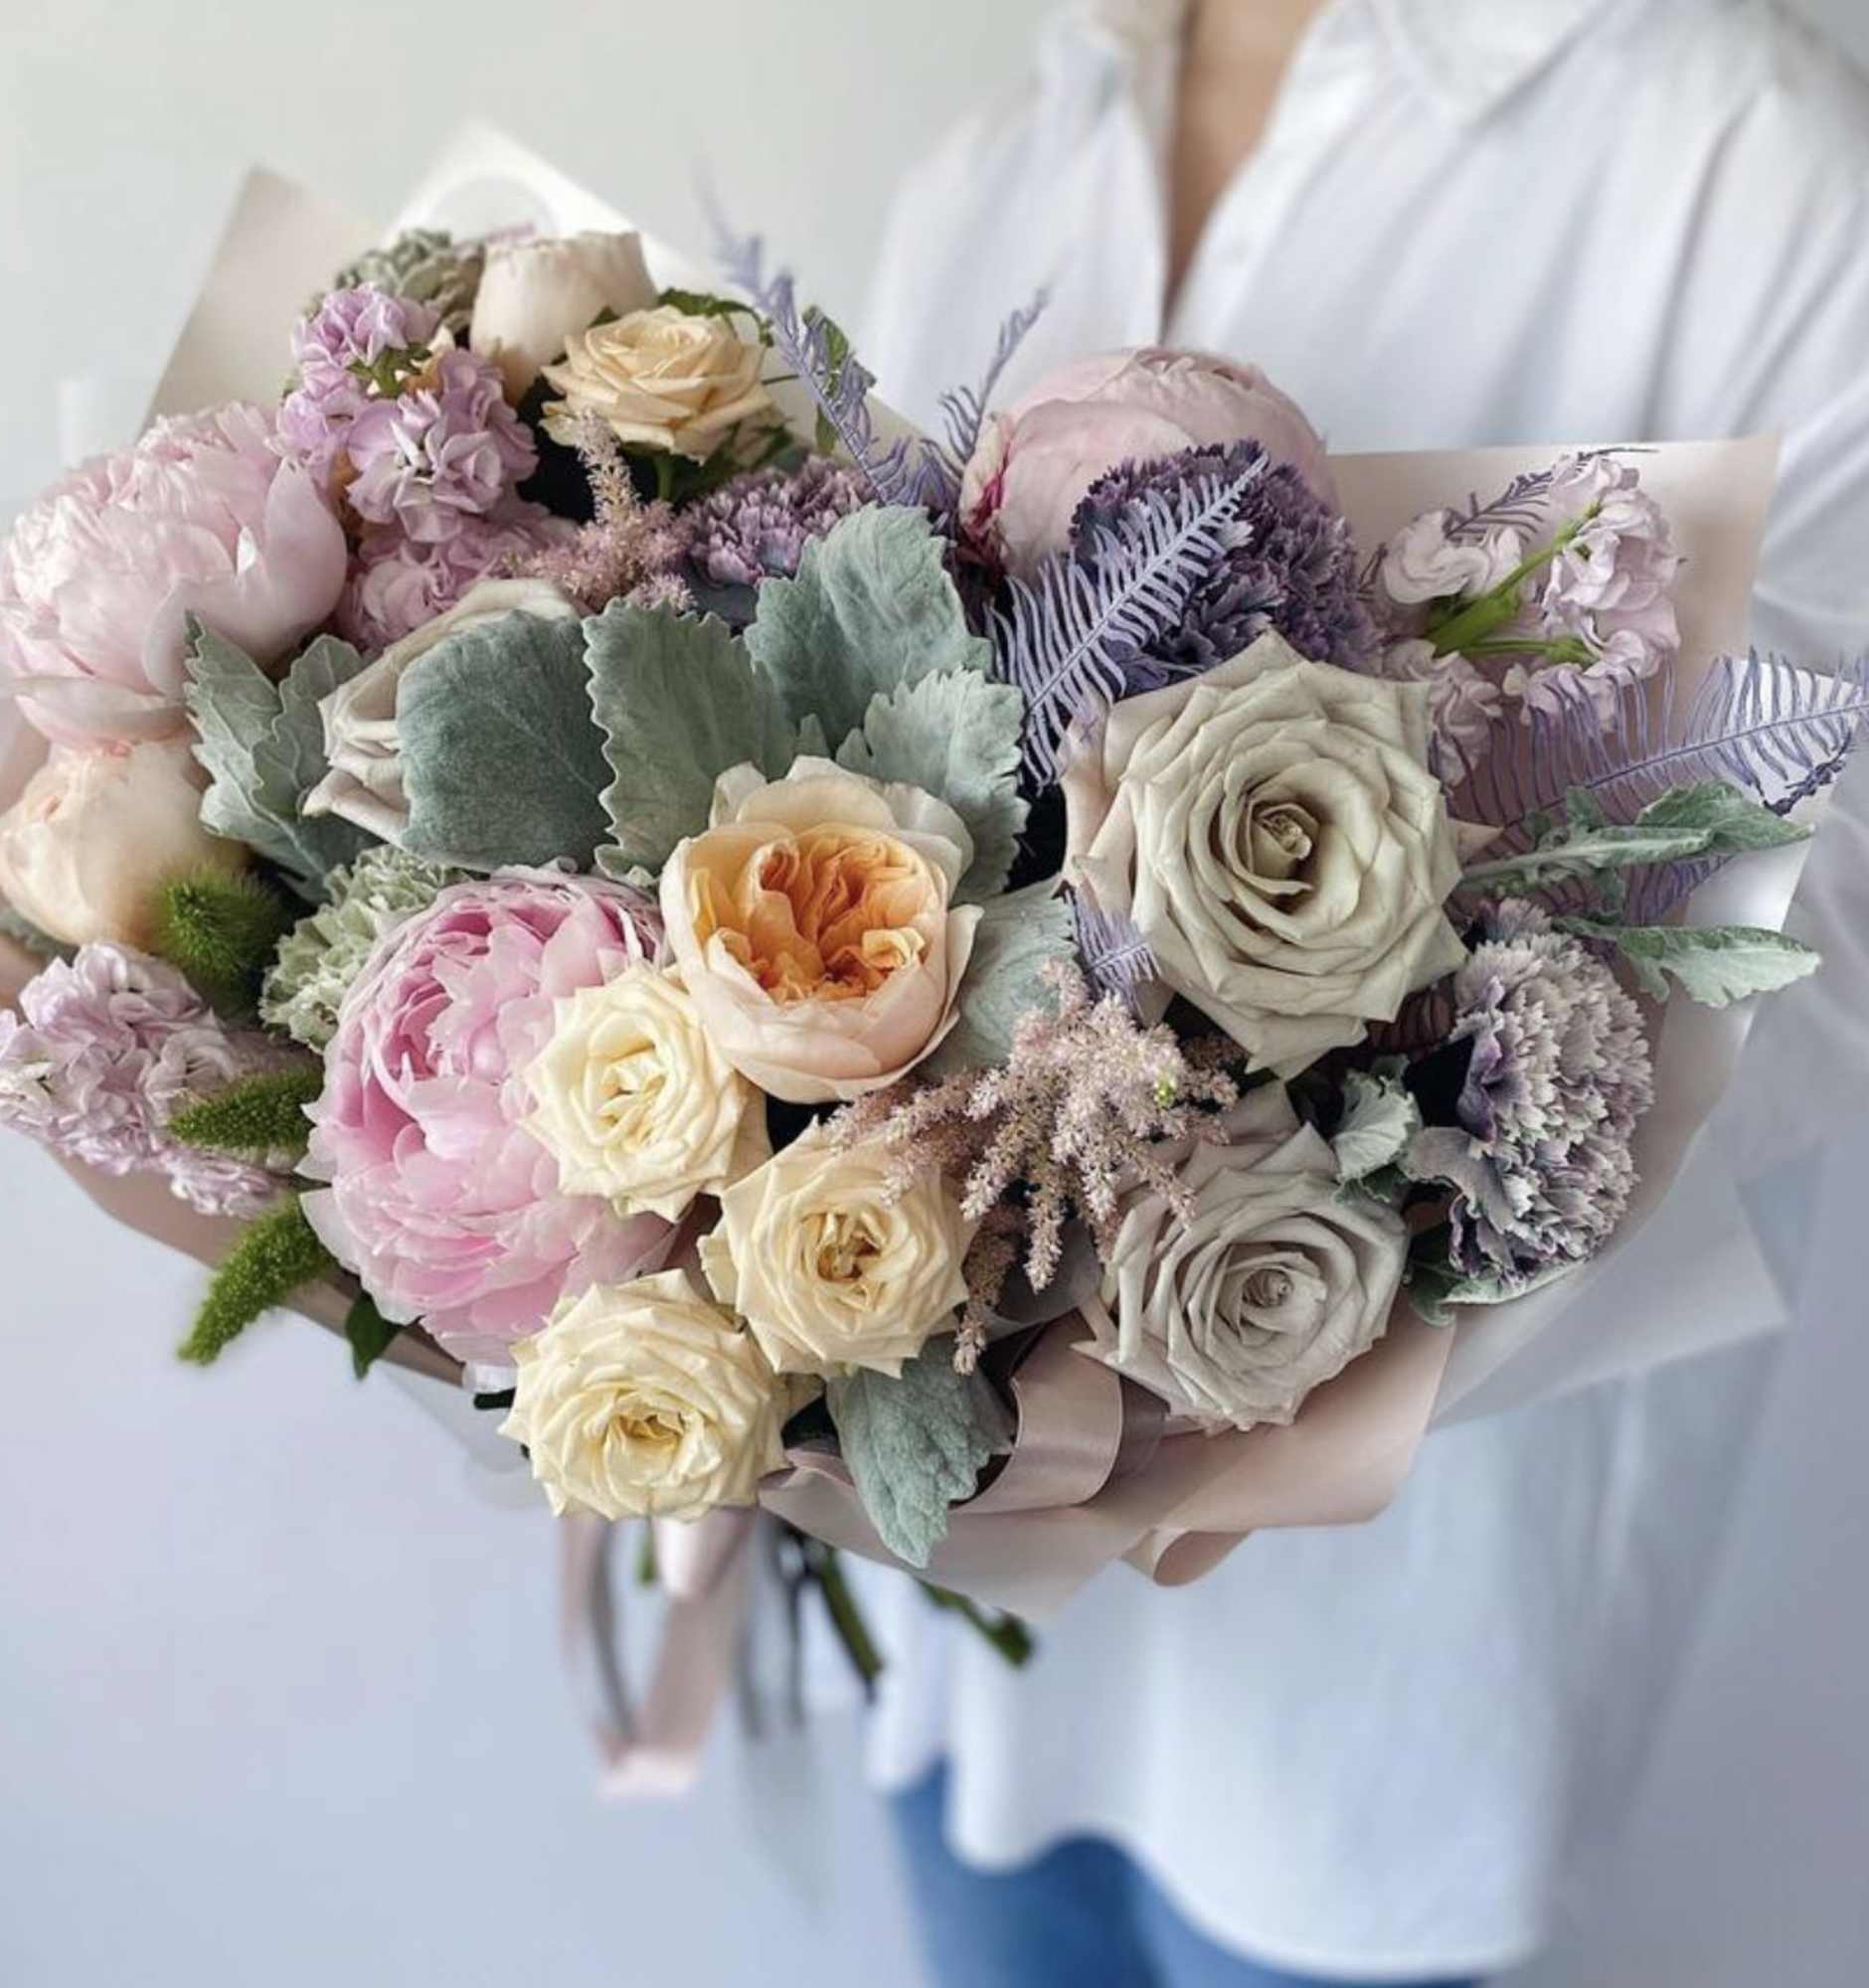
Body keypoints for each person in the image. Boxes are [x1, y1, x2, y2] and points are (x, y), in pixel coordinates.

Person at [857, 2, 1869, 1983]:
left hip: (1395, 1678)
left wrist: (1293, 1122)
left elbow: (1828, 947)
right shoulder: (989, 161)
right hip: (959, 1640)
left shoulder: (1757, 156)